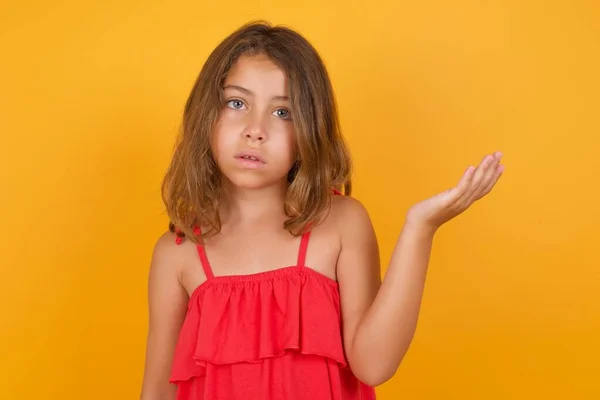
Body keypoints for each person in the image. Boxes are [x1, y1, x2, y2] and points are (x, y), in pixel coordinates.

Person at [139, 20, 505, 400]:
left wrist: (420, 228)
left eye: (283, 113)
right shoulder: (176, 253)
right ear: (206, 115)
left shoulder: (342, 223)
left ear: (310, 130)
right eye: (237, 103)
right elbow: (157, 391)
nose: (255, 129)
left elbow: (374, 365)